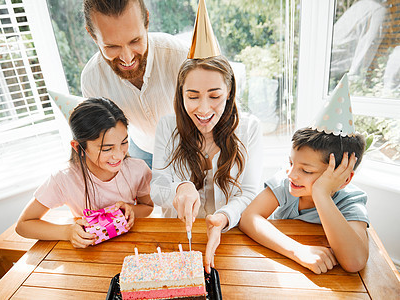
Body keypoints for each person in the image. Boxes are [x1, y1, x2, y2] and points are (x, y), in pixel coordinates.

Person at [239, 74, 369, 274]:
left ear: (344, 178)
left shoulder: (350, 201)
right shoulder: (285, 182)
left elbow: (355, 262)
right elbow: (249, 218)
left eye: (306, 170)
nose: (291, 174)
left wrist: (321, 194)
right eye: (291, 163)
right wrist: (298, 251)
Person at [151, 56, 264, 273]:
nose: (203, 109)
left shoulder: (250, 128)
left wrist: (223, 218)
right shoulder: (167, 126)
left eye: (215, 96)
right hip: (178, 237)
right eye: (193, 96)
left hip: (230, 235)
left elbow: (249, 192)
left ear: (229, 92)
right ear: (181, 94)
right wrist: (180, 187)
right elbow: (156, 187)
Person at [16, 98, 153, 248]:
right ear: (78, 147)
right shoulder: (63, 178)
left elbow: (147, 207)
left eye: (124, 142)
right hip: (88, 250)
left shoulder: (137, 169)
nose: (119, 155)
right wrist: (67, 232)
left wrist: (131, 209)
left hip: (130, 244)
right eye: (107, 149)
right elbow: (23, 225)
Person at [81, 0, 189, 168]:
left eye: (134, 41)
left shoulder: (182, 57)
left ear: (146, 20)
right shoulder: (92, 80)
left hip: (191, 147)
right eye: (112, 46)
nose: (127, 58)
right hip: (143, 150)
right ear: (92, 35)